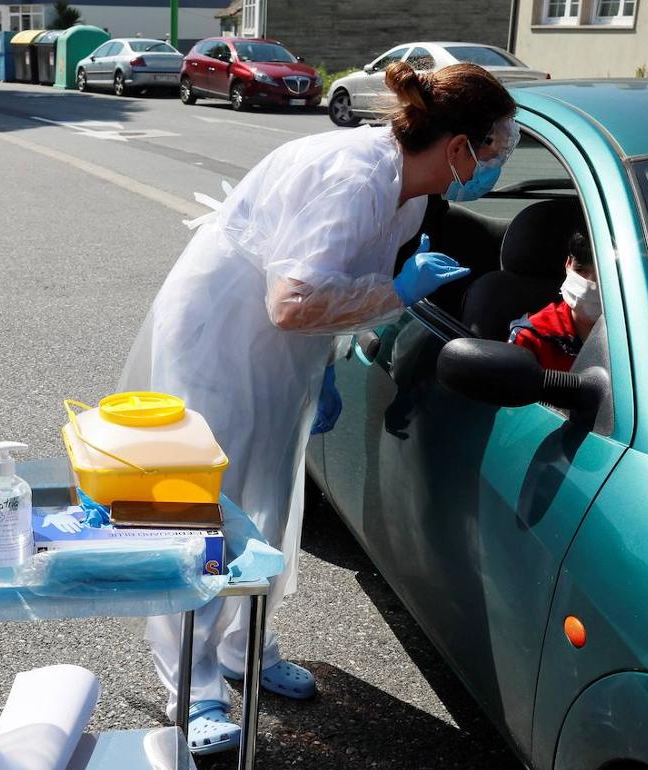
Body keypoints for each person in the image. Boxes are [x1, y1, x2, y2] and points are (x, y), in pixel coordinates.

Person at [120, 61, 518, 754]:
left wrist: (327, 364)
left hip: (285, 343)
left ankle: (247, 642)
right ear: (456, 144)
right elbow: (292, 300)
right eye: (493, 148)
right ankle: (193, 683)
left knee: (271, 492)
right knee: (206, 501)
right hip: (223, 332)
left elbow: (328, 291)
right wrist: (399, 292)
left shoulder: (412, 193)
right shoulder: (357, 177)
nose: (496, 163)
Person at [509, 232, 599, 371]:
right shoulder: (532, 339)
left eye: (601, 275)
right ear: (568, 264)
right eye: (581, 270)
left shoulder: (638, 331)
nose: (589, 283)